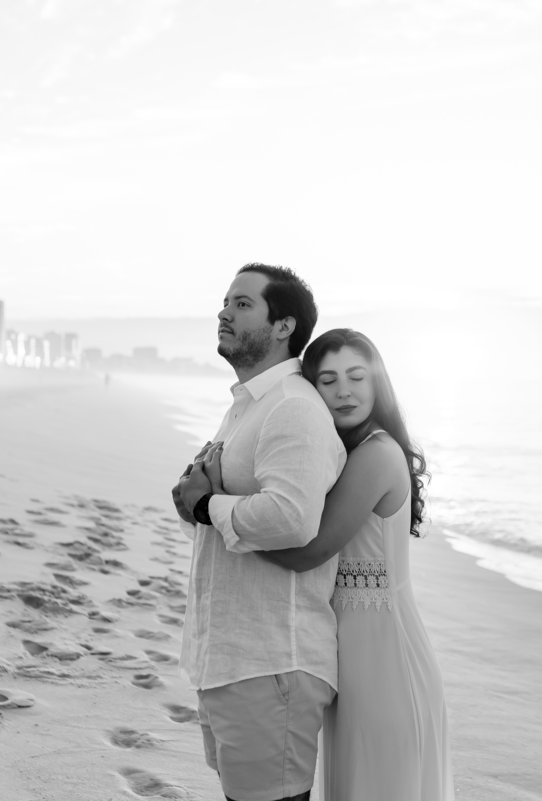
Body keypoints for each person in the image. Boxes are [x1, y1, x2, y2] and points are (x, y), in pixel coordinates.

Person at [199, 328, 454, 801]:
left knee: (382, 785)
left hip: (386, 656)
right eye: (329, 380)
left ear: (379, 384)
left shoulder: (378, 454)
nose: (344, 391)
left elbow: (308, 551)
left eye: (357, 376)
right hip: (348, 652)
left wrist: (214, 508)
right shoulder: (344, 451)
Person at [173, 264, 345, 801]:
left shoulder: (293, 408)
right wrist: (196, 500)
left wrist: (205, 506)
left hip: (272, 663)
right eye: (225, 301)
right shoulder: (247, 408)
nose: (224, 312)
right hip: (229, 657)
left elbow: (292, 520)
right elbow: (211, 509)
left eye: (243, 303)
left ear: (283, 326)